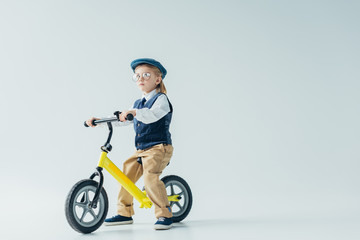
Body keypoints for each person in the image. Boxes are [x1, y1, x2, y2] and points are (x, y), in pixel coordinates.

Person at [86, 58, 174, 230]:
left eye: (146, 75)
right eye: (137, 76)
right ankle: (124, 213)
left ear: (157, 79)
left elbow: (151, 115)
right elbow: (124, 121)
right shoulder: (137, 103)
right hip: (141, 149)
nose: (141, 79)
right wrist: (100, 120)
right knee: (125, 176)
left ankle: (164, 214)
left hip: (159, 148)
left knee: (150, 178)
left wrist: (134, 112)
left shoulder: (161, 100)